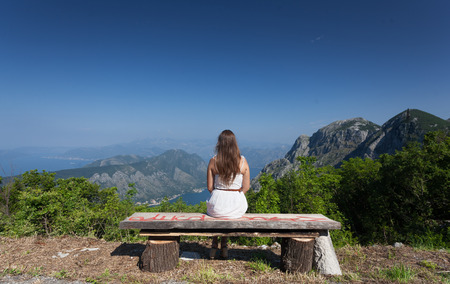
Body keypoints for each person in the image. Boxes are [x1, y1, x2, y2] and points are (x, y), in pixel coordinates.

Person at [206, 130, 250, 259]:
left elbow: (209, 187)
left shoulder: (213, 161)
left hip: (216, 206)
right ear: (234, 144)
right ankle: (224, 246)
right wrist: (235, 196)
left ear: (219, 143)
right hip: (237, 206)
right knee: (228, 213)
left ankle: (215, 245)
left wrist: (220, 195)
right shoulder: (243, 162)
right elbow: (246, 187)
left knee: (220, 213)